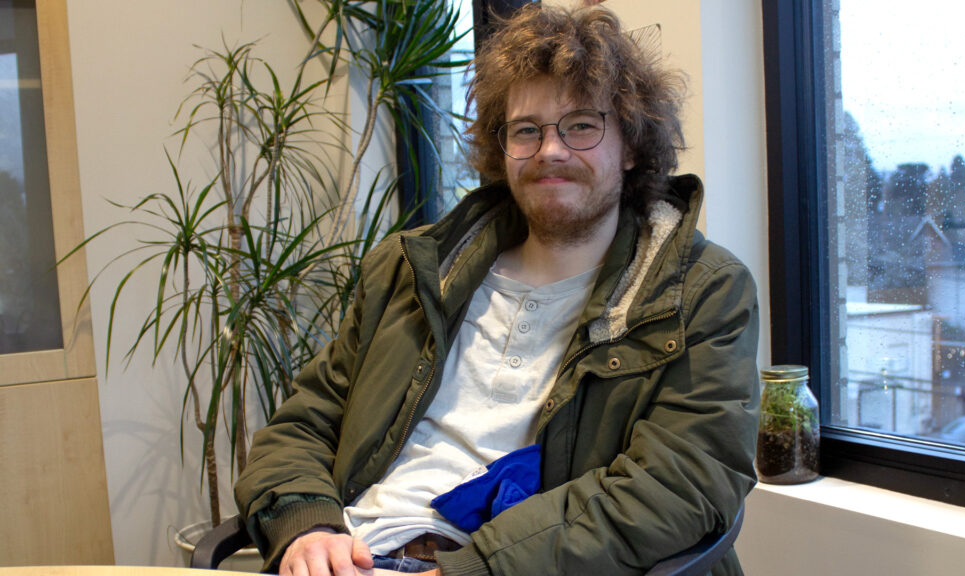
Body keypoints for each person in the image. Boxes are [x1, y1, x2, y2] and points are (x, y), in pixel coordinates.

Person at [234, 4, 760, 576]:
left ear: (631, 147)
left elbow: (681, 485)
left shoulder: (699, 292)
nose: (550, 150)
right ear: (500, 147)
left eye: (582, 125)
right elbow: (303, 424)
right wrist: (307, 524)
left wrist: (475, 569)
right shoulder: (409, 271)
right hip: (358, 554)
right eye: (526, 130)